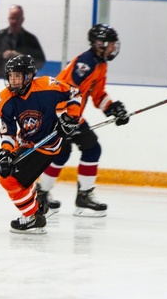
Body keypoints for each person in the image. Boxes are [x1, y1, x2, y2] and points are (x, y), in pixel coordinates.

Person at [35, 23, 130, 218]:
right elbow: (65, 91)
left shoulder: (101, 64)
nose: (113, 48)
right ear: (100, 44)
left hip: (70, 114)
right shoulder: (85, 63)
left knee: (65, 153)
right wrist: (65, 120)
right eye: (110, 44)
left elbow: (97, 95)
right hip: (59, 112)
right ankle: (79, 197)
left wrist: (113, 108)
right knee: (88, 148)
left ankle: (42, 194)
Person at [0, 54, 82, 234]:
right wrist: (5, 152)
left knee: (9, 181)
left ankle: (34, 217)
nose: (13, 81)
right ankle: (38, 205)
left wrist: (71, 118)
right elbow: (9, 132)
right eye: (11, 76)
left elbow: (74, 93)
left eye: (18, 76)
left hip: (48, 144)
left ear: (29, 76)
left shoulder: (48, 87)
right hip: (26, 143)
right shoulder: (4, 100)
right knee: (9, 173)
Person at [0, 5, 45, 79]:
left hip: (22, 83)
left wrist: (23, 58)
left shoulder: (30, 39)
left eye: (17, 18)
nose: (14, 21)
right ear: (8, 19)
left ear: (22, 19)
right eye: (12, 18)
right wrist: (2, 55)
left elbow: (40, 62)